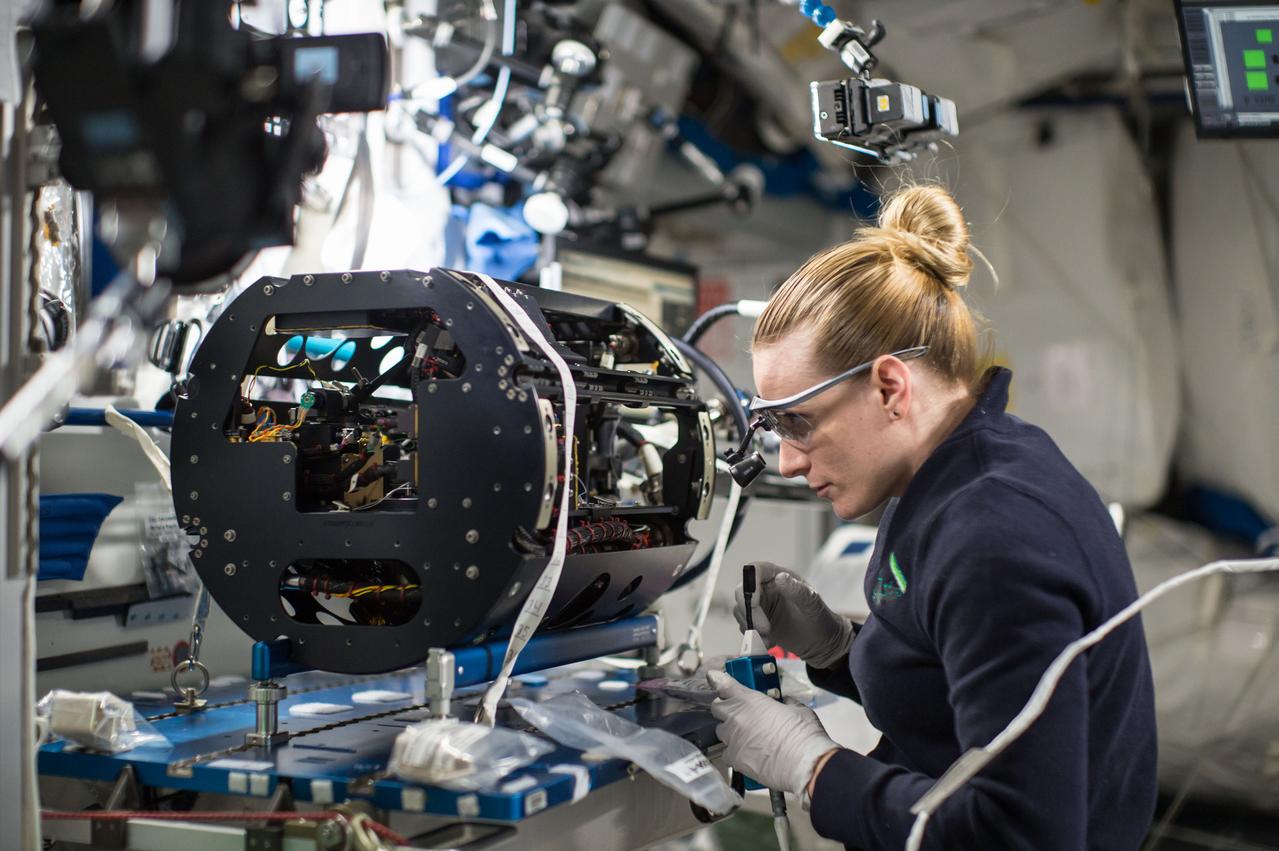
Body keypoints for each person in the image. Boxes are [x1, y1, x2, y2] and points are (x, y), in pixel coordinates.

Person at [706, 184, 1157, 849]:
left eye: (797, 423)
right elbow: (959, 688)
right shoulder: (955, 476)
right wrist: (838, 650)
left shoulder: (992, 536)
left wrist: (813, 769)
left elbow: (1016, 833)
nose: (790, 463)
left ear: (889, 385)